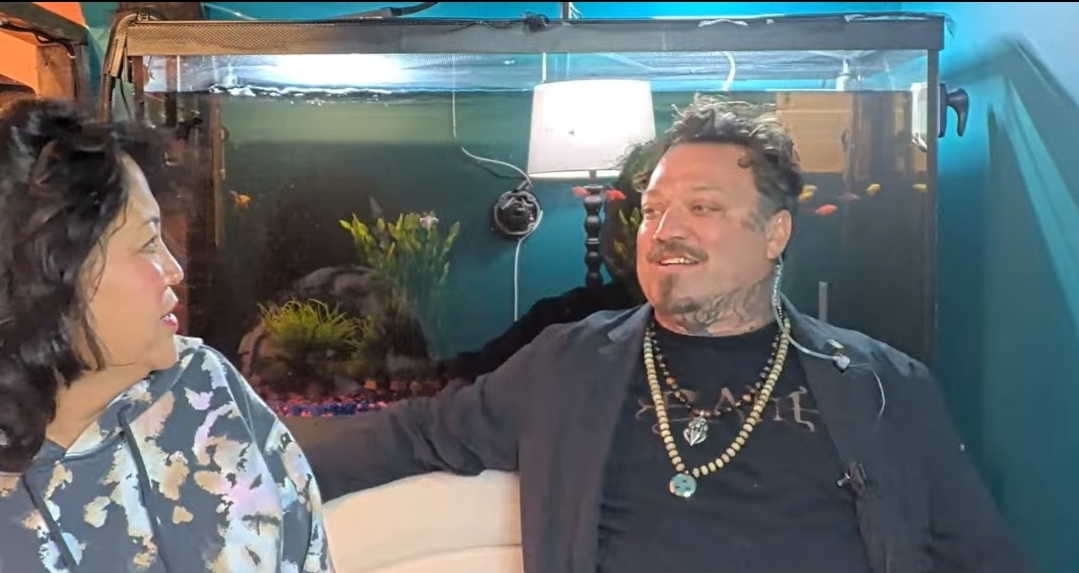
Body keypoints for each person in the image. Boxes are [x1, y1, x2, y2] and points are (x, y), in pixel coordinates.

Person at [306, 96, 1031, 573]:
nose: (665, 230)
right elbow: (412, 434)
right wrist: (249, 462)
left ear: (775, 233)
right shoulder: (568, 363)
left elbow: (979, 555)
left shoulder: (882, 384)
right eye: (653, 210)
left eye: (702, 207)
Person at [0, 99, 332, 573]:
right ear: (51, 272)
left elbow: (307, 549)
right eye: (148, 243)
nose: (175, 271)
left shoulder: (205, 391)